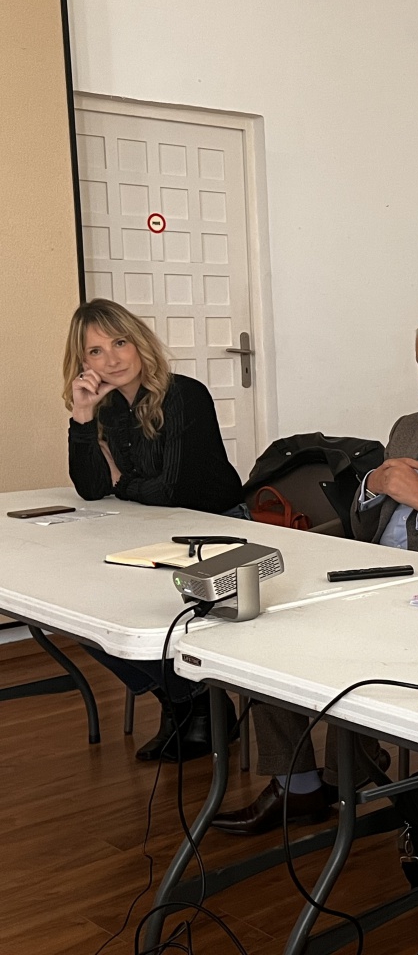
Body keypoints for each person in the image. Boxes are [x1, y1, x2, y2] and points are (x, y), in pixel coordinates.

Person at [213, 311, 418, 835]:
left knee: (345, 644)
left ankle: (349, 774)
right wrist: (371, 487)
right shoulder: (408, 426)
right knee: (260, 626)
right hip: (374, 569)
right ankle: (297, 785)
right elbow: (363, 522)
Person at [62, 298, 245, 761]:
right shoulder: (108, 409)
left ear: (139, 342)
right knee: (83, 612)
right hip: (157, 535)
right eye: (96, 351)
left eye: (120, 343)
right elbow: (91, 489)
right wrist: (82, 416)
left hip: (219, 532)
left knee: (136, 606)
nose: (112, 359)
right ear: (82, 363)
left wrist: (121, 481)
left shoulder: (184, 394)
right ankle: (185, 699)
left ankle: (194, 705)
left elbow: (171, 491)